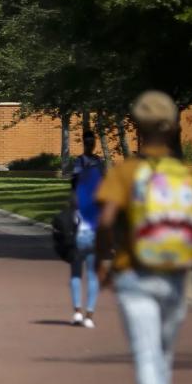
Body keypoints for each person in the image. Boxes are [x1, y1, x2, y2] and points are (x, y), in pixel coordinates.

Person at [95, 91, 192, 384]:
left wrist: (104, 261)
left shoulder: (127, 172)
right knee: (164, 359)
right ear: (175, 126)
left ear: (136, 126)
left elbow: (106, 220)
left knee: (146, 358)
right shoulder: (191, 175)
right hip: (175, 276)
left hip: (134, 273)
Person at [69, 131, 104, 327]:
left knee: (75, 272)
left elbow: (73, 186)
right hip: (93, 229)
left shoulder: (78, 163)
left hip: (78, 228)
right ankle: (89, 315)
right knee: (92, 273)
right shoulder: (99, 164)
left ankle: (77, 312)